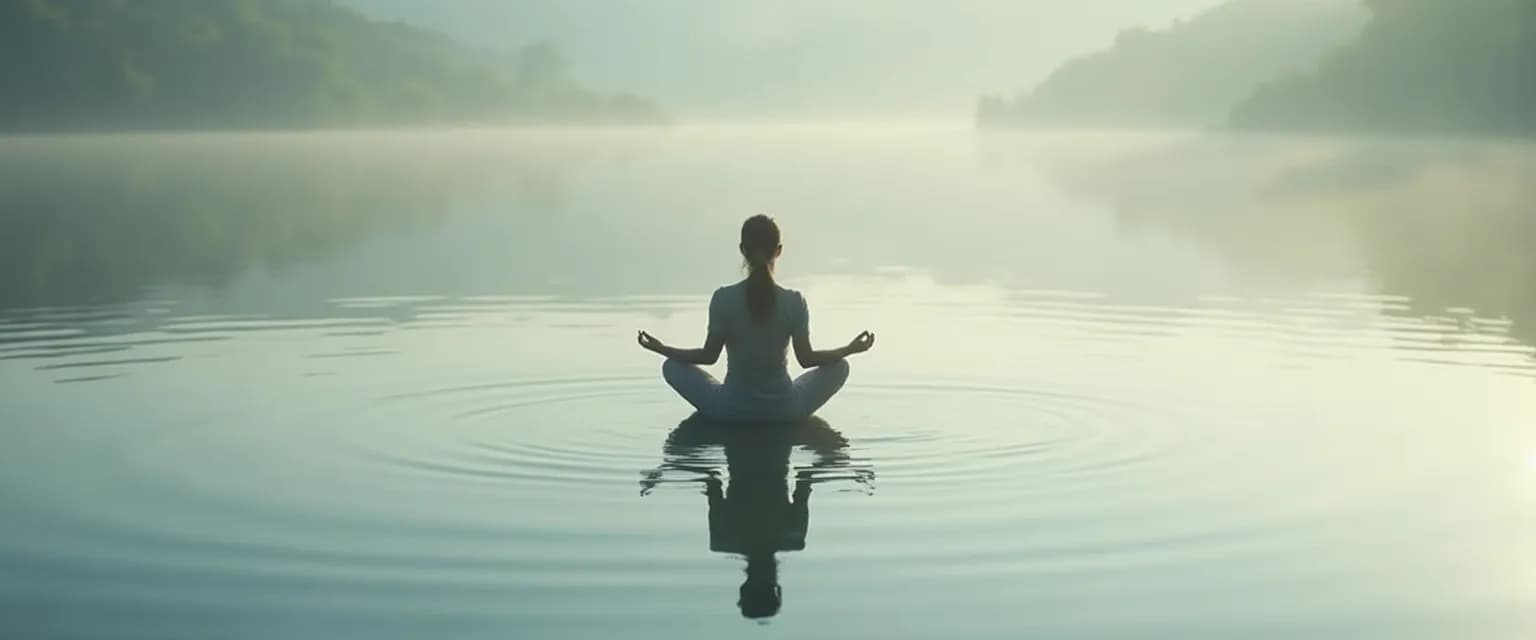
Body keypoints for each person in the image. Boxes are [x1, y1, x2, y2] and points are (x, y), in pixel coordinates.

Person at [637, 214, 874, 422]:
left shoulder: (723, 298)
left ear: (742, 249)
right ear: (779, 251)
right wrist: (850, 349)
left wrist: (662, 348)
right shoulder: (794, 301)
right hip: (785, 411)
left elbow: (708, 356)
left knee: (670, 366)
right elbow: (807, 359)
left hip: (729, 411)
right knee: (840, 366)